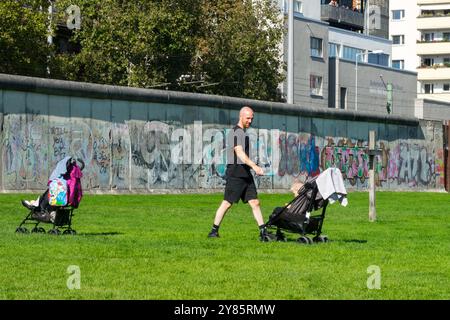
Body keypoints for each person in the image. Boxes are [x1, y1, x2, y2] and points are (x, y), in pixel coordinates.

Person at [207, 106, 272, 241]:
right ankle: (213, 231)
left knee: (255, 202)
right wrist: (255, 166)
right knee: (227, 203)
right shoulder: (237, 132)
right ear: (241, 116)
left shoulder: (243, 133)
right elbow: (240, 153)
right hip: (235, 174)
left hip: (245, 174)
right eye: (248, 118)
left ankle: (263, 231)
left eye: (252, 118)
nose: (250, 121)